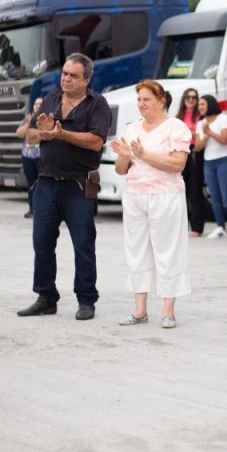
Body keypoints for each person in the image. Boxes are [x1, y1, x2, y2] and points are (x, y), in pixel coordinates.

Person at [17, 54, 112, 321]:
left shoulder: (97, 105)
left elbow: (96, 141)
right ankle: (46, 297)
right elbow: (31, 133)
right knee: (42, 243)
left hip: (78, 184)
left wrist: (61, 134)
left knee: (83, 244)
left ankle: (86, 300)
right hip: (46, 182)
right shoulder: (50, 98)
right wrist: (43, 134)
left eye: (73, 76)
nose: (66, 79)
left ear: (86, 79)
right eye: (65, 74)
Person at [112, 79, 192, 329]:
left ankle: (168, 311)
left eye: (146, 99)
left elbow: (178, 164)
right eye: (139, 99)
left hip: (165, 195)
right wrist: (126, 156)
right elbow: (120, 168)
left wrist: (145, 155)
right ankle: (139, 310)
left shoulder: (175, 127)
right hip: (135, 195)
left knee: (168, 251)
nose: (141, 104)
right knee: (136, 251)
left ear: (161, 101)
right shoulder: (132, 128)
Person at [195, 94, 227, 240]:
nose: (199, 107)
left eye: (202, 104)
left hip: (224, 160)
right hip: (209, 162)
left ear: (210, 104)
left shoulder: (223, 118)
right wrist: (206, 134)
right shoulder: (200, 123)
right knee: (214, 196)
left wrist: (209, 132)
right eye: (199, 105)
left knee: (226, 193)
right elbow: (198, 147)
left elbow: (225, 139)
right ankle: (220, 226)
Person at [176, 87, 206, 237]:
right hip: (181, 151)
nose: (191, 100)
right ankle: (184, 225)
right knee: (182, 188)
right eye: (188, 97)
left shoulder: (200, 116)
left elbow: (202, 134)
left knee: (195, 189)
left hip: (195, 152)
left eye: (194, 97)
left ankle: (197, 227)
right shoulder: (178, 116)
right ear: (184, 99)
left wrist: (188, 132)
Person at [16, 97, 44, 219]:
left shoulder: (46, 119)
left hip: (41, 157)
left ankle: (42, 210)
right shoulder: (27, 119)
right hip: (27, 157)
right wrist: (29, 122)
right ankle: (32, 209)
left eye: (40, 104)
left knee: (42, 184)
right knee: (31, 184)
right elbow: (19, 133)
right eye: (35, 104)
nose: (37, 105)